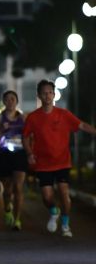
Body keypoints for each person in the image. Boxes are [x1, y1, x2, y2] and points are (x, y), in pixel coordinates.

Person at [23, 79, 96, 238]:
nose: (48, 96)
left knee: (64, 192)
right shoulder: (33, 117)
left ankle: (65, 224)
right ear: (39, 96)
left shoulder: (64, 114)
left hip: (62, 162)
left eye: (50, 92)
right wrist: (29, 153)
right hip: (43, 164)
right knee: (47, 197)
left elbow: (82, 125)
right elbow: (25, 137)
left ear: (54, 94)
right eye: (44, 93)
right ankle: (53, 211)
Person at [0, 90, 27, 231]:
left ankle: (17, 220)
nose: (10, 101)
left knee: (18, 188)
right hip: (4, 154)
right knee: (7, 189)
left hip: (20, 154)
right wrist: (0, 131)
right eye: (7, 99)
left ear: (17, 101)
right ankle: (7, 209)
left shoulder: (23, 118)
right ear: (3, 102)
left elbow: (30, 135)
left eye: (13, 99)